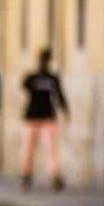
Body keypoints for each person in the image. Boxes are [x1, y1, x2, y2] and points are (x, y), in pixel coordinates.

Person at [20, 48, 68, 192]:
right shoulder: (33, 77)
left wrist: (65, 109)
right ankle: (26, 174)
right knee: (28, 149)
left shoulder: (52, 78)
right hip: (32, 117)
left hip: (47, 117)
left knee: (51, 148)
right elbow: (24, 86)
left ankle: (54, 175)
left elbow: (59, 95)